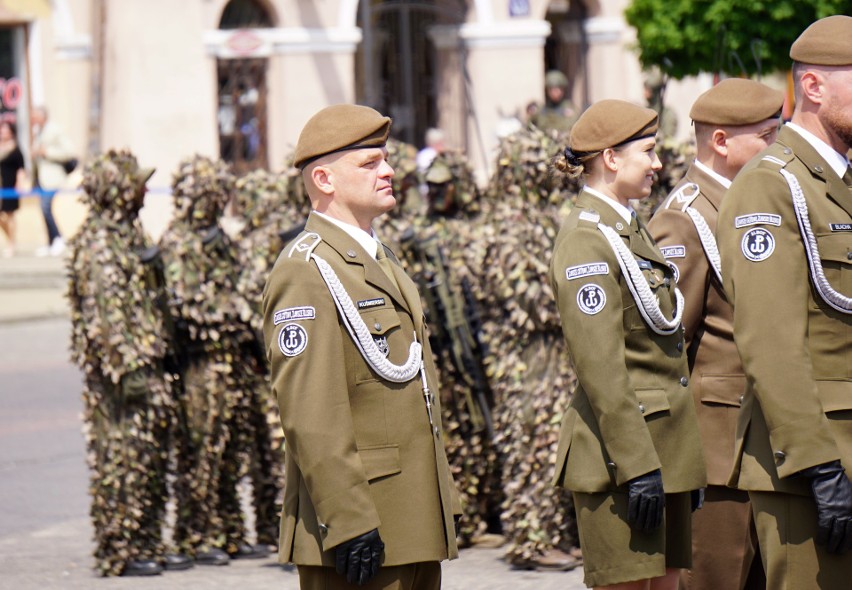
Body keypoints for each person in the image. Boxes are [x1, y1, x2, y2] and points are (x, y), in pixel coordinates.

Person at [262, 104, 461, 589]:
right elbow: (311, 414)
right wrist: (348, 519)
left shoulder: (379, 259)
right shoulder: (306, 270)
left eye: (386, 160)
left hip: (410, 518)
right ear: (325, 180)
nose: (389, 171)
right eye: (369, 163)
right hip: (360, 524)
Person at [548, 99, 706, 589]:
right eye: (648, 151)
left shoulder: (627, 227)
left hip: (665, 450)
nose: (658, 163)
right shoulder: (586, 241)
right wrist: (638, 466)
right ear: (611, 158)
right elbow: (601, 369)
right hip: (623, 458)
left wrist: (683, 462)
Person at [717, 15, 852, 588]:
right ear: (814, 87)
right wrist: (820, 467)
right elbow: (770, 342)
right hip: (812, 465)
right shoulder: (771, 185)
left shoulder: (839, 183)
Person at [647, 78, 783, 590]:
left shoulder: (751, 204)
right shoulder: (686, 219)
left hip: (764, 442)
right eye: (767, 136)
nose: (777, 146)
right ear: (722, 142)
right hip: (719, 452)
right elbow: (667, 345)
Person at [67, 149, 192, 577]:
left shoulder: (130, 233)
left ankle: (148, 541)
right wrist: (128, 368)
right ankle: (118, 549)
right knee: (121, 460)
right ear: (119, 191)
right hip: (121, 375)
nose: (143, 190)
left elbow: (150, 300)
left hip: (152, 362)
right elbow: (105, 316)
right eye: (136, 184)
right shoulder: (99, 241)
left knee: (152, 458)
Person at [158, 155, 270, 565]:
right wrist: (236, 310)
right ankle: (195, 535)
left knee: (231, 449)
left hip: (233, 358)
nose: (221, 203)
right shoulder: (179, 242)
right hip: (200, 363)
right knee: (201, 451)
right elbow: (185, 304)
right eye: (214, 196)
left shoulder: (219, 238)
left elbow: (242, 285)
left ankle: (231, 532)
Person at [31, 106, 74, 257]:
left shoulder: (55, 130)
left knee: (46, 208)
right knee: (43, 209)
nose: (32, 118)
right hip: (41, 179)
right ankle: (51, 242)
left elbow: (69, 151)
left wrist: (46, 152)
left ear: (43, 116)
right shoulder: (39, 132)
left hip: (53, 178)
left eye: (35, 115)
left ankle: (59, 238)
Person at [0, 120, 25, 257]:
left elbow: (21, 168)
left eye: (5, 130)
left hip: (10, 185)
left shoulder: (15, 149)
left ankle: (11, 244)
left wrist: (19, 184)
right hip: (0, 185)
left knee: (10, 215)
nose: (3, 132)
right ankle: (10, 239)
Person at [529, 70, 578, 134]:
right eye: (552, 89)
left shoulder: (571, 109)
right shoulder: (540, 110)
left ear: (563, 90)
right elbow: (529, 127)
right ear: (547, 90)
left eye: (558, 89)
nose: (555, 92)